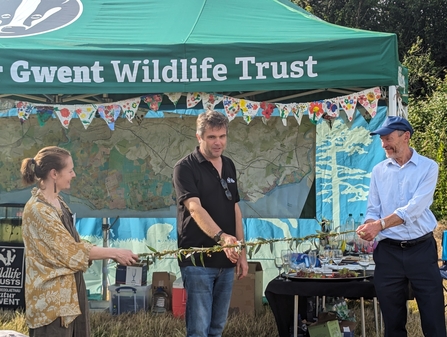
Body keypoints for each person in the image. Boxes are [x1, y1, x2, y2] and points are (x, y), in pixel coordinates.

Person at [20, 146, 139, 337]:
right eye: (70, 170)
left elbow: (72, 242)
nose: (74, 175)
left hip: (70, 295)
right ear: (54, 174)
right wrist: (115, 252)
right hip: (52, 304)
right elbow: (70, 252)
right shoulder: (38, 210)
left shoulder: (58, 203)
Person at [356, 116, 446, 337]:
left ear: (406, 137)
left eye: (388, 138)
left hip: (421, 250)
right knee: (392, 321)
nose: (384, 144)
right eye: (382, 140)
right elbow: (373, 209)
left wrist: (381, 224)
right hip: (388, 253)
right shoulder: (378, 171)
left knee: (433, 317)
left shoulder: (428, 167)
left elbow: (414, 208)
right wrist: (369, 225)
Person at [173, 110, 249, 337]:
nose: (218, 142)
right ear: (199, 137)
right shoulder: (184, 168)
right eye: (212, 137)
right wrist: (222, 238)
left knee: (217, 327)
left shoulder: (228, 164)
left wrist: (241, 252)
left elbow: (234, 207)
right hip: (197, 260)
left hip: (226, 259)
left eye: (222, 136)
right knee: (199, 329)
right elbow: (194, 208)